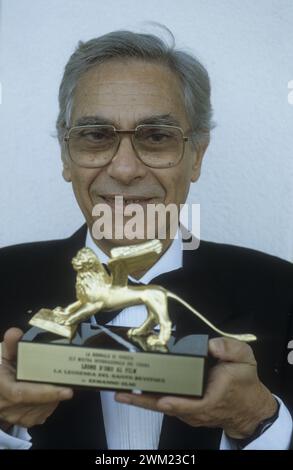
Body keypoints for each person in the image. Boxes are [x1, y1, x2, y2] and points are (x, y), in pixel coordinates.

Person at [0, 28, 292, 450]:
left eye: (156, 137)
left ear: (197, 156)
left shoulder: (283, 292)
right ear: (66, 156)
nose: (123, 170)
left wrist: (258, 422)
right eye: (96, 135)